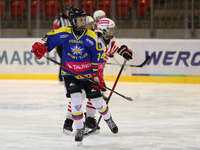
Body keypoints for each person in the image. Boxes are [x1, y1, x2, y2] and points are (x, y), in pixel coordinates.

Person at [31, 7, 118, 144]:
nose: (83, 23)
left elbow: (98, 57)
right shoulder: (65, 33)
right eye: (80, 20)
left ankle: (109, 119)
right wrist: (42, 45)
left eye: (84, 20)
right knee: (76, 101)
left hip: (88, 75)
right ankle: (79, 128)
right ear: (72, 21)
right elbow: (50, 37)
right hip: (70, 74)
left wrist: (96, 77)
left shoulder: (91, 36)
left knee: (98, 102)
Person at [63, 17, 133, 135]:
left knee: (95, 96)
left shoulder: (110, 40)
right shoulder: (93, 38)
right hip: (86, 72)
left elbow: (112, 49)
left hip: (97, 72)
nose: (113, 31)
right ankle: (68, 121)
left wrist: (123, 51)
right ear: (104, 30)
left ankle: (90, 120)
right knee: (79, 97)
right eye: (111, 29)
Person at [52, 4, 72, 82]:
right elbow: (54, 30)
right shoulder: (58, 19)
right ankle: (62, 76)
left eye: (69, 11)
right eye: (66, 11)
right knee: (64, 59)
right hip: (60, 43)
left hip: (69, 43)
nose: (68, 13)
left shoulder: (72, 19)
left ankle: (63, 76)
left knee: (66, 59)